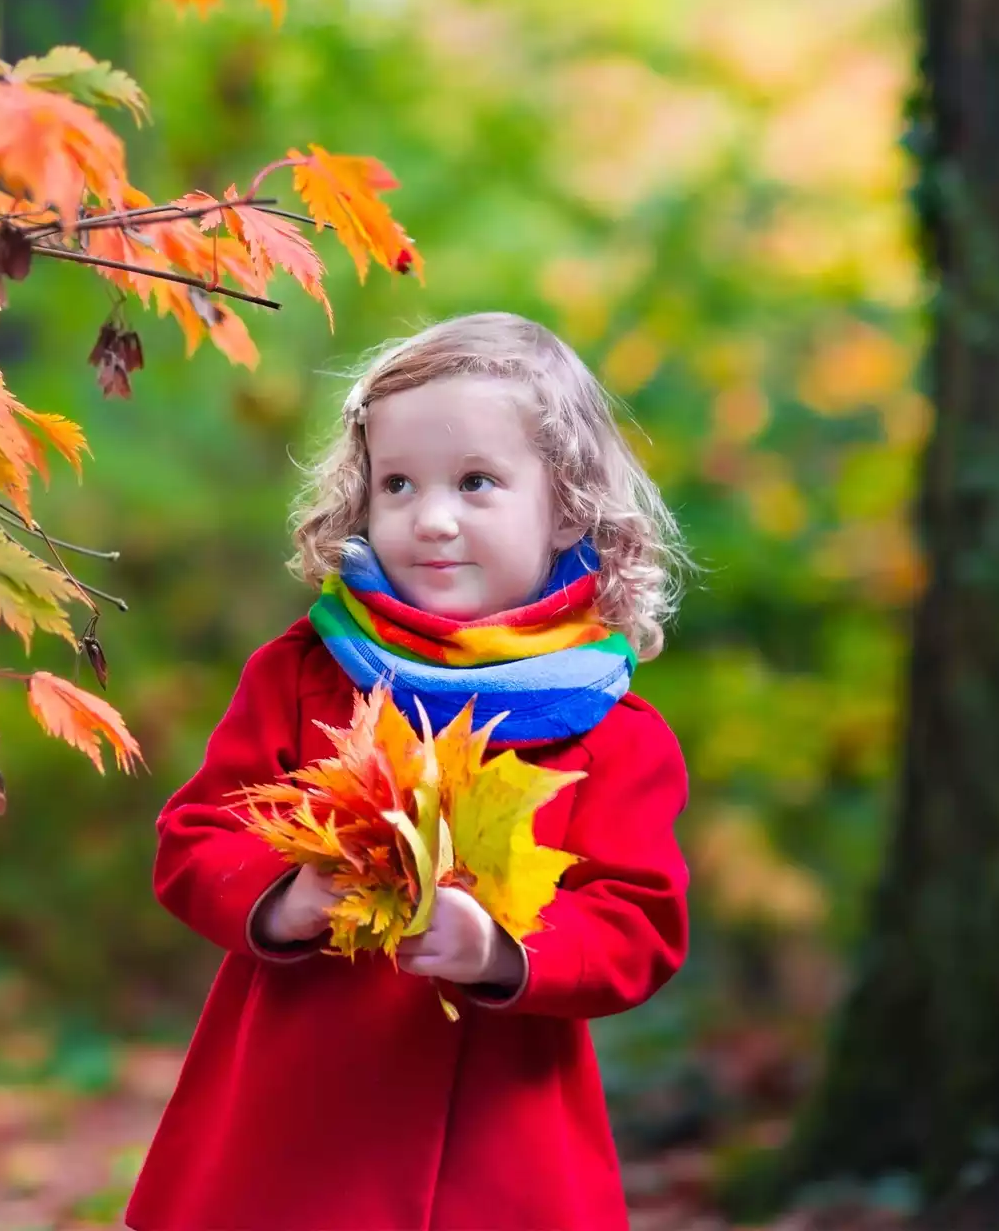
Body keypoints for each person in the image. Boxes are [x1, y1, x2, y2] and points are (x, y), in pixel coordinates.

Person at [125, 312, 694, 1231]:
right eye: (397, 484)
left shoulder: (615, 731)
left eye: (477, 482)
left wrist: (502, 951)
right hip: (293, 1130)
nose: (431, 519)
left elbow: (640, 922)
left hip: (501, 1145)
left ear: (570, 505)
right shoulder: (305, 671)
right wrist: (281, 896)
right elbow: (195, 837)